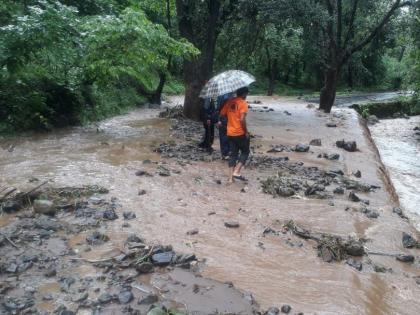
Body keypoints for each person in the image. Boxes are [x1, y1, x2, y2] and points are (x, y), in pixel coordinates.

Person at [219, 87, 250, 183]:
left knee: (233, 154)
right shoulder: (243, 103)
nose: (246, 96)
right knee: (245, 151)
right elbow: (242, 119)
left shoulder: (229, 102)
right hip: (239, 132)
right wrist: (246, 132)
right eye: (247, 94)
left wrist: (231, 119)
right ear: (244, 94)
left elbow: (222, 114)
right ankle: (236, 171)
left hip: (230, 132)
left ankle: (230, 178)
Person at [216, 92, 234, 159]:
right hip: (227, 119)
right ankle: (227, 152)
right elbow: (218, 109)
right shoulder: (232, 96)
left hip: (225, 119)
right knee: (227, 136)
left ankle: (225, 153)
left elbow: (218, 108)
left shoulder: (221, 96)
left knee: (224, 136)